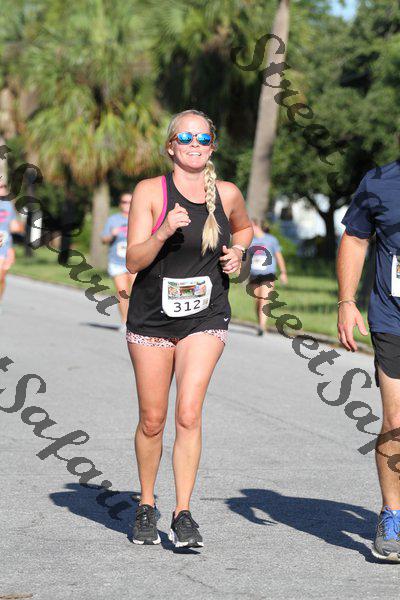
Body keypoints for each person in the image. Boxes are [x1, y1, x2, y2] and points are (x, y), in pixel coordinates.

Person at [125, 109, 253, 548]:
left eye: (202, 138)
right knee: (153, 420)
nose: (194, 144)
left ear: (212, 146)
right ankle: (146, 504)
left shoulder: (228, 193)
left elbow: (245, 228)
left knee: (188, 413)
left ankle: (183, 512)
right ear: (170, 146)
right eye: (185, 137)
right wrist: (163, 231)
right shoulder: (150, 191)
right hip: (152, 318)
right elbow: (133, 261)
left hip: (206, 316)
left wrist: (238, 252)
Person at [337, 158, 400, 562]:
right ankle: (393, 515)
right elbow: (356, 238)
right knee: (396, 420)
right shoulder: (380, 182)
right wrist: (346, 301)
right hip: (393, 319)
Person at [101, 192, 136, 328]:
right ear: (120, 204)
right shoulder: (113, 219)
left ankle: (136, 321)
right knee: (123, 293)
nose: (127, 205)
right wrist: (112, 234)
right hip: (117, 262)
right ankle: (125, 322)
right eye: (124, 202)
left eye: (130, 202)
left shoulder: (138, 218)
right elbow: (104, 239)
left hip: (134, 262)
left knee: (136, 293)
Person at [248, 217, 288, 336]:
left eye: (250, 226)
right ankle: (261, 324)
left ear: (256, 226)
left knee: (263, 300)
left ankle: (261, 326)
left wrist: (283, 272)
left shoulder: (271, 240)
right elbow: (246, 258)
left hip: (268, 274)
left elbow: (278, 256)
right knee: (257, 302)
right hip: (254, 275)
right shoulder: (250, 241)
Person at [0, 181, 22, 313]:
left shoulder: (8, 206)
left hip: (4, 246)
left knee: (1, 277)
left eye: (4, 186)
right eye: (0, 186)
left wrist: (20, 227)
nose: (2, 189)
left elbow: (13, 226)